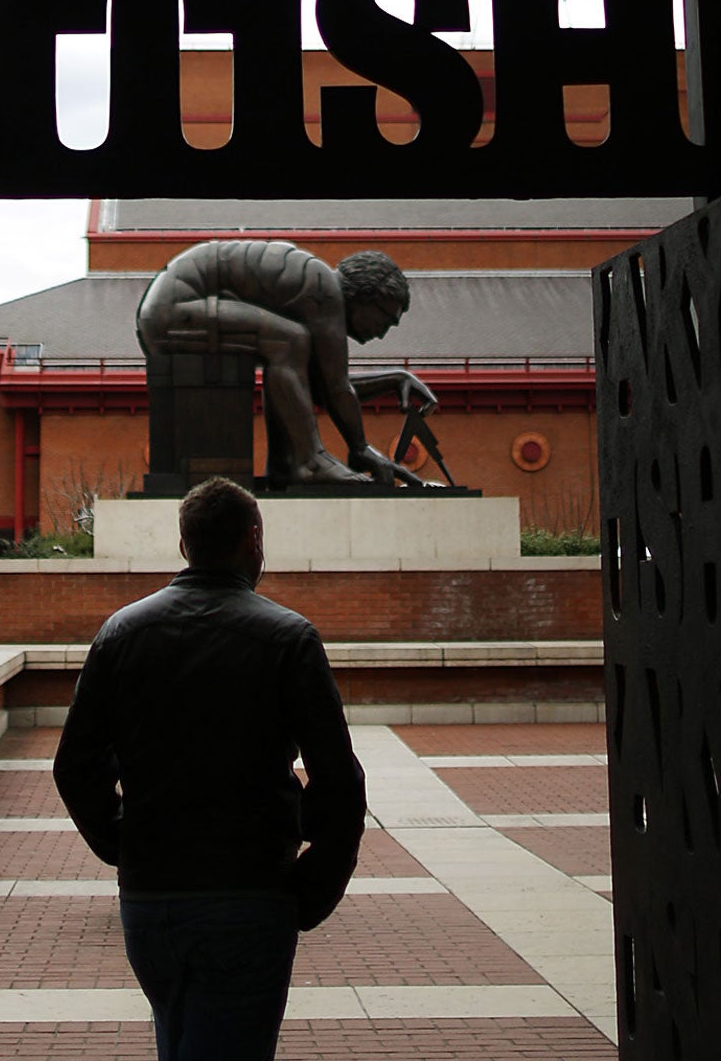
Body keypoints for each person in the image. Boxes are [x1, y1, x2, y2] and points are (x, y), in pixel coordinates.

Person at [53, 477, 366, 1061]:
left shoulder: (121, 633)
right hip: (249, 893)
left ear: (183, 546)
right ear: (253, 540)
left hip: (150, 899)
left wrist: (124, 843)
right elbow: (339, 780)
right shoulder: (289, 638)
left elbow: (75, 765)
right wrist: (312, 888)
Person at [134, 240, 436, 487]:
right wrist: (360, 448)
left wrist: (394, 380)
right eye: (386, 319)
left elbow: (316, 387)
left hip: (172, 312)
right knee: (289, 341)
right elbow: (335, 388)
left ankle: (287, 466)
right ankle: (308, 462)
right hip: (171, 313)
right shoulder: (324, 290)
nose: (383, 332)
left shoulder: (315, 288)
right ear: (367, 296)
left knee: (288, 347)